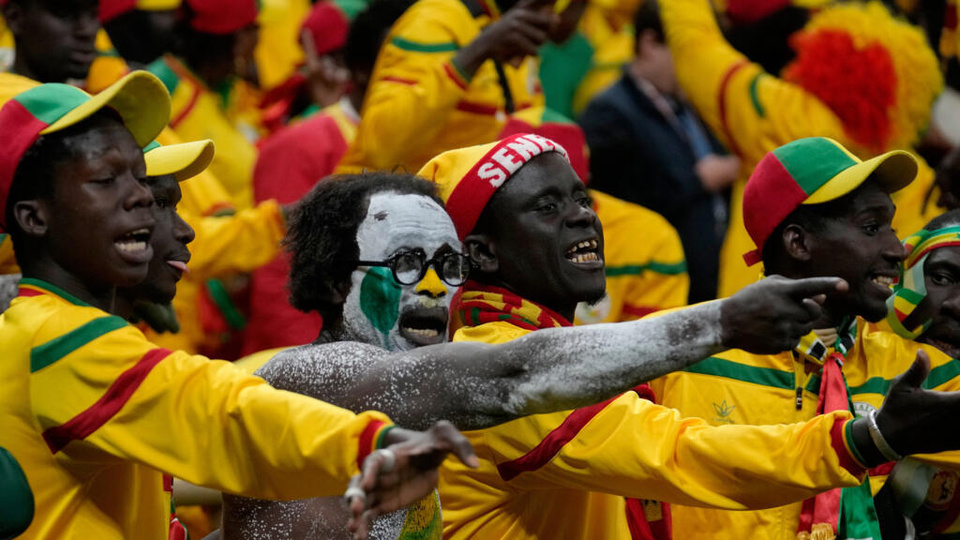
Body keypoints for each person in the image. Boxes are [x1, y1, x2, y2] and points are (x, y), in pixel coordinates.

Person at [0, 72, 475, 539]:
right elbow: (218, 411)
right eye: (106, 179)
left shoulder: (62, 331)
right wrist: (371, 444)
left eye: (141, 179)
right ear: (33, 218)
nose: (141, 197)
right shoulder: (56, 338)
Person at [415, 133, 960, 538]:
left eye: (582, 199)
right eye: (547, 207)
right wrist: (871, 439)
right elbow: (679, 455)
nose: (583, 218)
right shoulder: (493, 366)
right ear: (482, 253)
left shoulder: (594, 354)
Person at [649, 136, 960, 539]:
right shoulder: (681, 356)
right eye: (871, 228)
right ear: (799, 243)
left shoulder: (915, 372)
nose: (895, 249)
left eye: (891, 227)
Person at [661, 0, 945, 297]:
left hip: (753, 323)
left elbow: (695, 47)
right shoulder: (918, 180)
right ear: (910, 95)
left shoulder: (785, 117)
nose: (894, 248)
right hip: (865, 338)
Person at [244, 0, 412, 355]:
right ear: (363, 70)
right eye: (408, 65)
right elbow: (282, 283)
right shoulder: (299, 146)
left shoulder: (441, 140)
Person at [579, 0, 738, 302]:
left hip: (710, 283)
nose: (700, 67)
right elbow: (610, 207)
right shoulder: (608, 113)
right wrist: (698, 181)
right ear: (650, 43)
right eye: (688, 53)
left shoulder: (691, 104)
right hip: (656, 288)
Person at [336, 0, 566, 173]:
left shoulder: (512, 27)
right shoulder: (433, 21)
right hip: (386, 213)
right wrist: (478, 52)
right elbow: (381, 147)